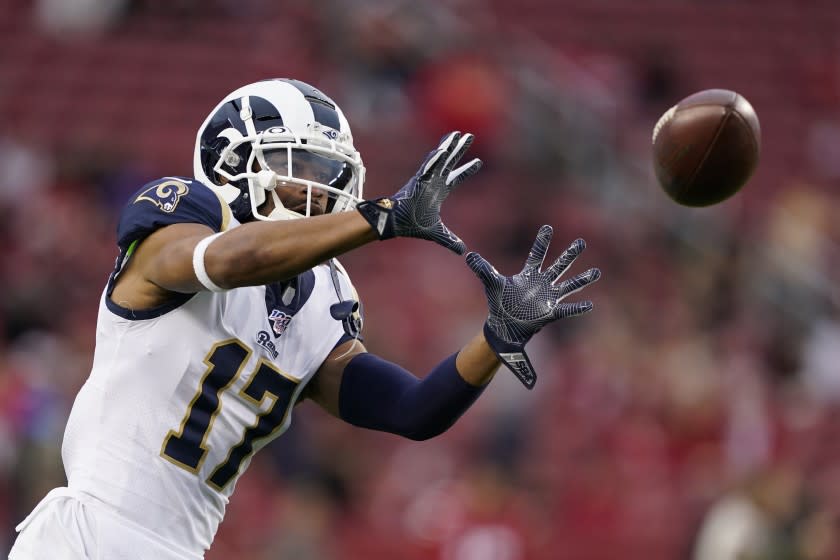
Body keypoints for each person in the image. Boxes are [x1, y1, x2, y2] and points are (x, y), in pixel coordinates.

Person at [8, 78, 600, 559]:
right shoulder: (186, 212)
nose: (314, 188)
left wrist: (495, 338)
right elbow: (229, 261)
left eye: (324, 173)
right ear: (233, 160)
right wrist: (381, 218)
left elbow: (413, 410)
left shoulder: (322, 296)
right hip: (85, 534)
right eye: (297, 165)